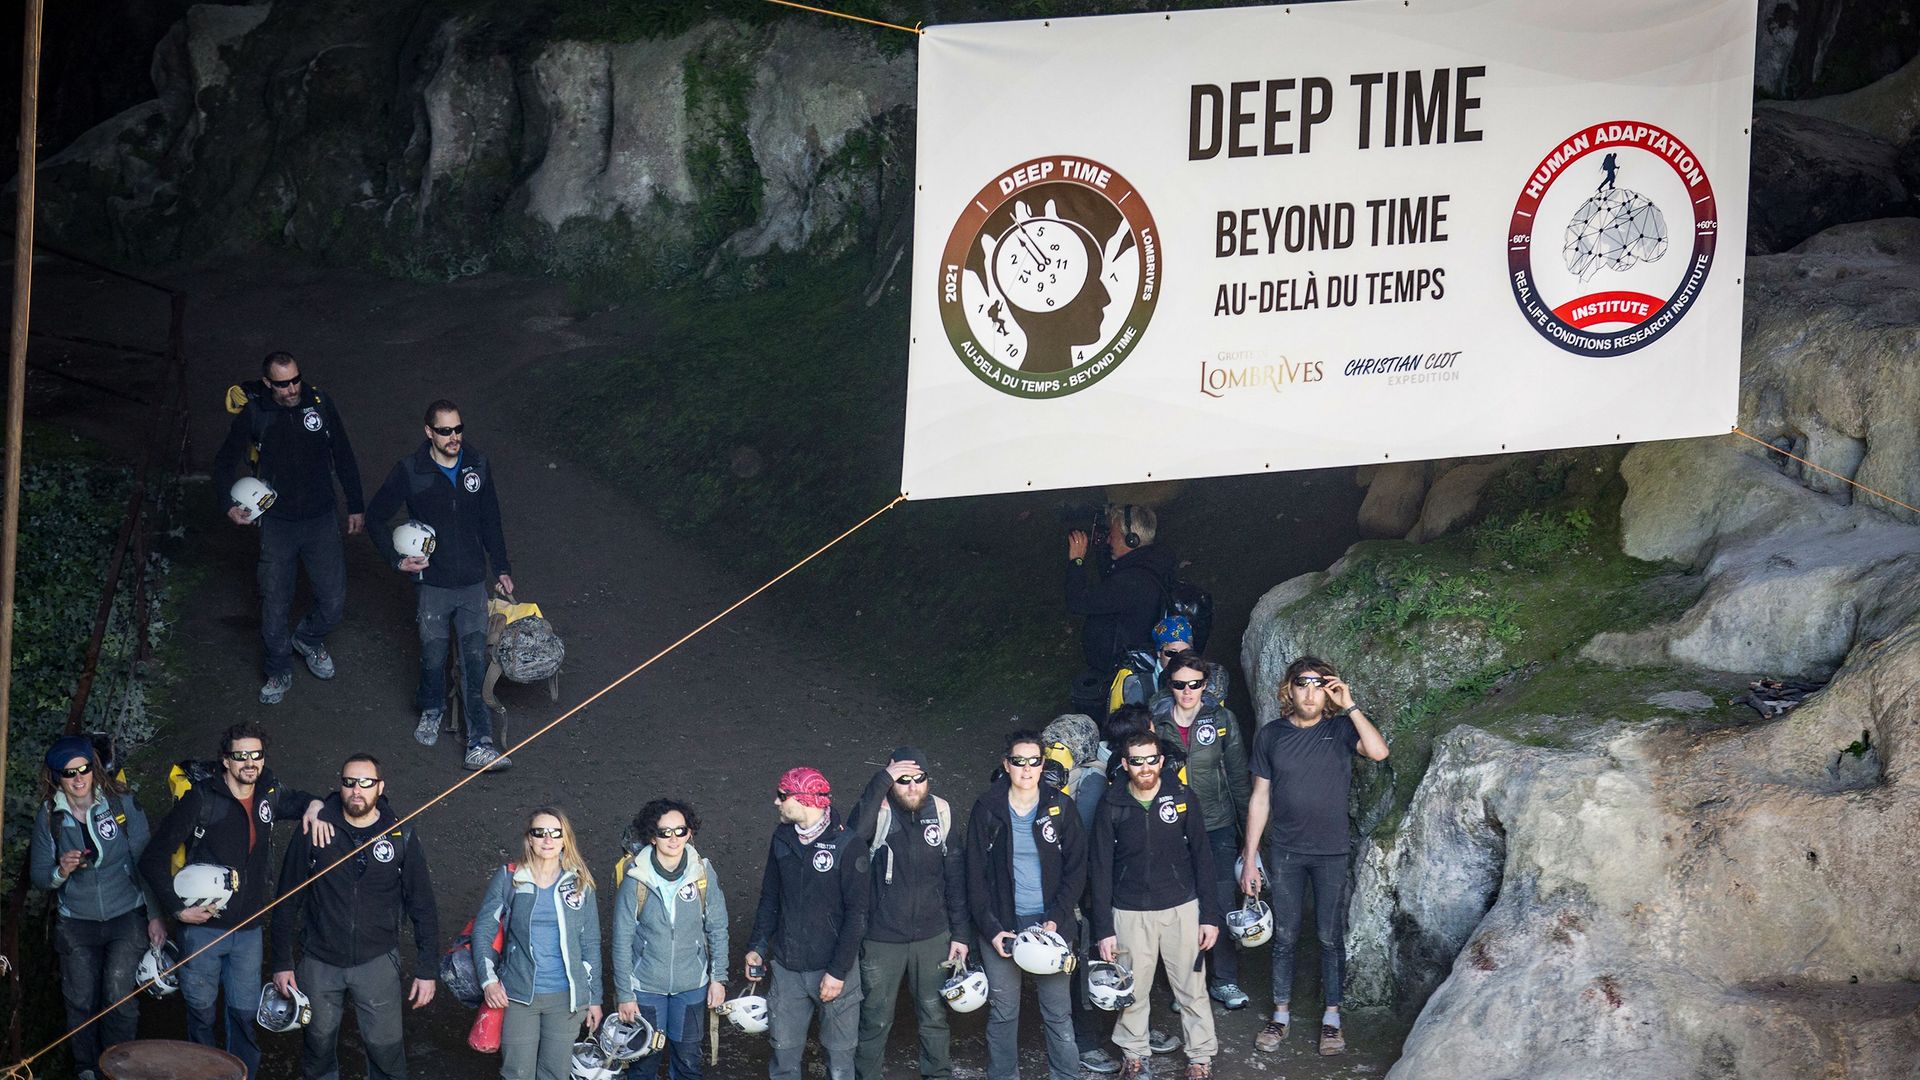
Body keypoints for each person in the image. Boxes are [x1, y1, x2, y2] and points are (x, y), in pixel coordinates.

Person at [138, 723, 332, 1080]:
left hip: (249, 931)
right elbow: (152, 857)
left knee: (243, 1017)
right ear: (225, 760)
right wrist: (178, 910)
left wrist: (316, 805)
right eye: (240, 755)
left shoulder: (268, 792)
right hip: (202, 930)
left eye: (255, 755)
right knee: (201, 1015)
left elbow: (303, 800)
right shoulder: (201, 798)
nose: (249, 762)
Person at [1239, 657, 1389, 1057]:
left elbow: (1377, 751)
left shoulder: (1341, 728)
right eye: (1302, 684)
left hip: (1331, 851)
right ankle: (1281, 1014)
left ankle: (1332, 1020)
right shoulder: (1271, 736)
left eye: (1319, 684)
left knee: (1327, 936)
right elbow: (1260, 796)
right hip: (1286, 851)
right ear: (1288, 689)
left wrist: (1351, 705)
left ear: (1329, 691)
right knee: (1285, 936)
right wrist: (1250, 857)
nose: (1310, 692)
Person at [365, 399, 515, 771]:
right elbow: (375, 517)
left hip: (471, 585)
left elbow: (490, 519)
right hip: (432, 585)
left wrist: (501, 567)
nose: (454, 437)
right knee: (433, 657)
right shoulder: (410, 471)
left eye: (458, 429)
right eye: (445, 431)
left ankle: (479, 742)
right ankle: (431, 707)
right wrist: (396, 559)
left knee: (474, 660)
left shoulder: (477, 465)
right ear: (429, 432)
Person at [269, 753, 439, 1080]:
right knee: (317, 1050)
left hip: (376, 962)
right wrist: (281, 962)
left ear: (380, 787)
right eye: (349, 783)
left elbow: (423, 905)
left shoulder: (400, 835)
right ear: (340, 786)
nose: (356, 790)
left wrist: (427, 967)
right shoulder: (315, 830)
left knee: (386, 1053)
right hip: (319, 962)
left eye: (365, 782)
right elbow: (286, 900)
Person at [211, 351, 365, 705]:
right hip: (278, 524)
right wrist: (228, 505)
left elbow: (343, 453)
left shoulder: (319, 403)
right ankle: (278, 669)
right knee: (274, 603)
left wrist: (355, 504)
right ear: (268, 383)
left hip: (321, 518)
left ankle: (309, 639)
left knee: (333, 600)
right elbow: (222, 464)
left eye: (296, 379)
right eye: (283, 383)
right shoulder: (256, 413)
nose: (293, 388)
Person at [30, 735, 165, 1080]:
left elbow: (144, 861)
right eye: (69, 773)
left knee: (118, 993)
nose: (78, 779)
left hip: (126, 914)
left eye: (84, 769)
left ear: (94, 768)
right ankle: (87, 1068)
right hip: (77, 922)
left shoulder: (122, 804)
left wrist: (155, 915)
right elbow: (40, 876)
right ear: (56, 777)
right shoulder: (49, 818)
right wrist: (61, 870)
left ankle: (118, 1067)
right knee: (80, 998)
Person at [1091, 731, 1223, 1080]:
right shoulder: (1111, 804)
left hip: (1182, 907)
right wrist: (1103, 928)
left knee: (1192, 988)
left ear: (1162, 761)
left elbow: (1203, 859)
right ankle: (1134, 1055)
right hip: (1130, 911)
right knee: (1132, 990)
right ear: (1125, 764)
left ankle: (1200, 1057)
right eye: (1137, 760)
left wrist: (1209, 916)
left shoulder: (1182, 796)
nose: (1146, 767)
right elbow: (1100, 869)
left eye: (1152, 759)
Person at [964, 730, 1086, 1080]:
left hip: (1050, 924)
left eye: (1034, 761)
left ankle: (1067, 1075)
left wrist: (1056, 920)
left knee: (1058, 1012)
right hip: (1003, 922)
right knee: (1003, 1011)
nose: (1027, 769)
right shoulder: (987, 808)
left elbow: (1077, 870)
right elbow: (974, 876)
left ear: (1042, 764)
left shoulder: (1060, 806)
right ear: (1007, 764)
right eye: (1019, 761)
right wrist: (991, 929)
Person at [848, 749, 968, 1080]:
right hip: (882, 937)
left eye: (919, 779)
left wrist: (960, 934)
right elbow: (852, 837)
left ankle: (938, 1075)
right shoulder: (879, 811)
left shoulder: (941, 812)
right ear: (890, 782)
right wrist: (880, 781)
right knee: (875, 1017)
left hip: (933, 936)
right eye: (902, 780)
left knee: (934, 1014)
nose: (912, 787)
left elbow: (955, 877)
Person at [745, 767, 870, 1080]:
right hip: (788, 970)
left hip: (833, 971)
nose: (776, 801)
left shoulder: (848, 845)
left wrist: (838, 972)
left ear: (804, 800)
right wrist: (758, 947)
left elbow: (858, 915)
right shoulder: (782, 838)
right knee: (784, 1059)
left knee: (840, 1063)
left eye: (783, 795)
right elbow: (770, 897)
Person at [1148, 654, 1252, 1010]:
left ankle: (1224, 981)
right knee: (1180, 906)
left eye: (1195, 683)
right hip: (1170, 825)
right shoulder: (1156, 722)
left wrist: (1250, 840)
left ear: (1205, 685)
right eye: (1179, 684)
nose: (1187, 691)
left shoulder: (1222, 720)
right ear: (1169, 686)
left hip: (1217, 823)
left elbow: (1238, 777)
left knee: (1220, 901)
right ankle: (1188, 984)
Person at [475, 807, 603, 1080]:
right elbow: (484, 931)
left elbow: (590, 941)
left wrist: (593, 998)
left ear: (564, 839)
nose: (548, 839)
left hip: (566, 999)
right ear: (529, 839)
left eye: (555, 833)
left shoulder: (579, 882)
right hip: (518, 995)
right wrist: (489, 982)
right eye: (540, 833)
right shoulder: (510, 877)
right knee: (517, 1073)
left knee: (555, 1074)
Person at [611, 799, 729, 1080]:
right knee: (643, 1064)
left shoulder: (703, 873)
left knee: (688, 1063)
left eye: (680, 830)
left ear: (690, 832)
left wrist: (718, 978)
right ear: (652, 836)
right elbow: (621, 940)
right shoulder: (635, 879)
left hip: (692, 987)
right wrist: (625, 995)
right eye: (664, 832)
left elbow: (718, 927)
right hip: (646, 989)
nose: (673, 838)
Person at [1065, 505, 1177, 715]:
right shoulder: (1156, 562)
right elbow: (1113, 579)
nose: (1109, 541)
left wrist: (1077, 561)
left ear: (1131, 540)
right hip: (1143, 655)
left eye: (1113, 536)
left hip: (1122, 671)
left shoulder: (1130, 583)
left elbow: (1078, 601)